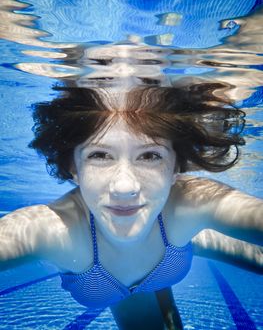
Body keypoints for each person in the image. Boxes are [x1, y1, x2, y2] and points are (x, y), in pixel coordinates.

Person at [0, 83, 262, 329]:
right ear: (73, 168)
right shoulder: (54, 229)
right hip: (111, 280)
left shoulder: (189, 202)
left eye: (150, 155)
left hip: (176, 241)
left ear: (176, 168)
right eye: (100, 155)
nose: (124, 188)